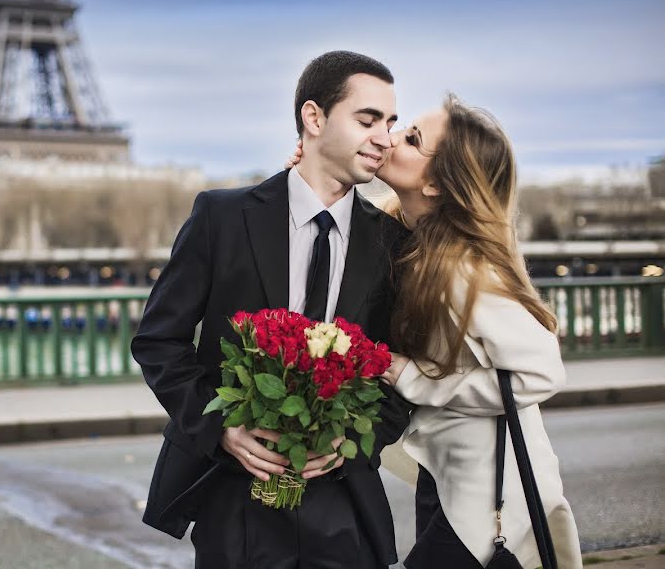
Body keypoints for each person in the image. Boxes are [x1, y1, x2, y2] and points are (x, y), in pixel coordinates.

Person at [132, 50, 415, 568]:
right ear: (313, 117)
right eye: (368, 119)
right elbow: (159, 341)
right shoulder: (220, 216)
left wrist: (353, 439)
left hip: (342, 497)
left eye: (391, 123)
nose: (385, 137)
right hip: (232, 493)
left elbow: (405, 368)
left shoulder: (393, 243)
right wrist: (220, 430)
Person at [286, 94, 582, 567]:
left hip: (493, 494)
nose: (389, 138)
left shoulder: (466, 269)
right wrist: (313, 176)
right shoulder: (407, 239)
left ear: (439, 183)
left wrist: (411, 375)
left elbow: (542, 373)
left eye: (411, 139)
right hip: (445, 477)